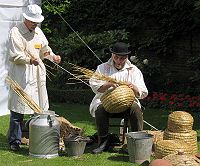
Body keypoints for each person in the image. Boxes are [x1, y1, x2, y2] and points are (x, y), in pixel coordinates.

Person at [7, 4, 61, 151]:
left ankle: (37, 137)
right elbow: (15, 55)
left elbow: (44, 50)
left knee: (39, 107)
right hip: (21, 75)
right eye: (32, 21)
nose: (35, 24)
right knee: (18, 110)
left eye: (36, 22)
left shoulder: (38, 32)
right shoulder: (15, 32)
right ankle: (14, 141)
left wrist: (53, 57)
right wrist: (30, 60)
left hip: (37, 74)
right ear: (25, 18)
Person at [89, 42, 148, 154]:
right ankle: (103, 143)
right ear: (112, 55)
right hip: (105, 102)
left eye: (122, 58)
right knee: (100, 110)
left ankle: (137, 142)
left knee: (135, 109)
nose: (119, 60)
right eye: (116, 57)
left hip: (127, 104)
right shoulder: (102, 68)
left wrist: (133, 87)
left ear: (127, 57)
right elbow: (94, 86)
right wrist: (109, 84)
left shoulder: (134, 70)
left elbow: (143, 92)